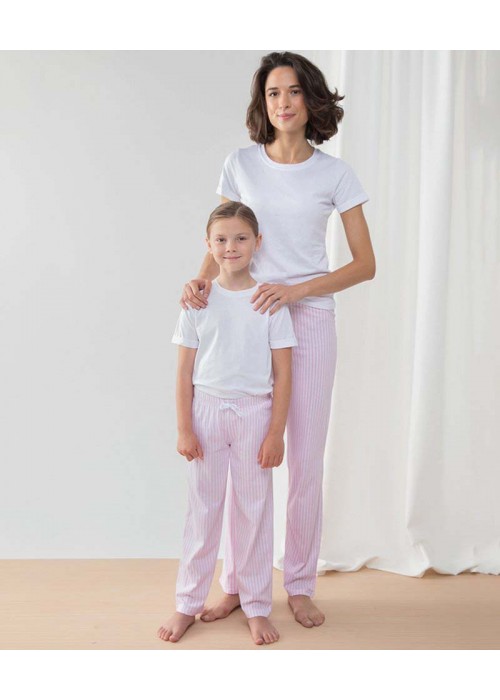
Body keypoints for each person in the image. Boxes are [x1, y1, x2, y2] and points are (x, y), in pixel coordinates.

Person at [180, 51, 376, 629]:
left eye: (293, 92)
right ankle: (237, 585)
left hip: (308, 321)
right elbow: (223, 236)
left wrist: (295, 291)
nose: (283, 103)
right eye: (272, 93)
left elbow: (365, 264)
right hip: (246, 321)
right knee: (242, 458)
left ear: (311, 100)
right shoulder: (239, 163)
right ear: (262, 103)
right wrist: (201, 281)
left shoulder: (335, 174)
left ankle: (299, 583)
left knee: (304, 459)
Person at [157, 201, 298, 645]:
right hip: (207, 413)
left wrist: (275, 433)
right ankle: (187, 603)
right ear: (208, 244)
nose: (230, 247)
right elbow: (183, 372)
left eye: (240, 238)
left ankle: (256, 605)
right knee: (203, 511)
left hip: (256, 414)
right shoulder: (197, 302)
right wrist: (185, 428)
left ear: (258, 242)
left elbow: (284, 374)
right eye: (221, 239)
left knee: (253, 512)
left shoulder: (269, 303)